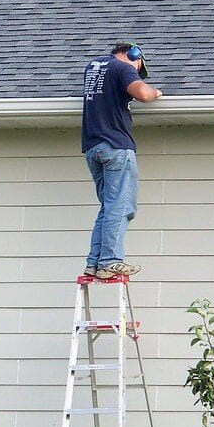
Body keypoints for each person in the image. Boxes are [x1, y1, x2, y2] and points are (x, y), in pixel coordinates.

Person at [81, 41, 162, 279]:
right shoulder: (123, 67)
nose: (137, 72)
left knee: (108, 207)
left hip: (93, 147)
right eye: (139, 67)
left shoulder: (93, 67)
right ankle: (110, 261)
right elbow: (143, 94)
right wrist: (155, 92)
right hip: (116, 146)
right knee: (122, 206)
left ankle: (94, 263)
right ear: (134, 54)